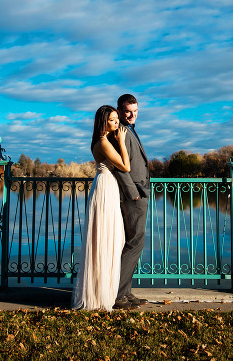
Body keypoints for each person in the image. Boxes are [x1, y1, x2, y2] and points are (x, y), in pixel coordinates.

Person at [71, 105, 130, 311]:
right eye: (113, 120)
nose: (117, 123)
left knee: (110, 239)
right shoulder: (103, 142)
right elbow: (125, 166)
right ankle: (100, 295)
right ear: (103, 122)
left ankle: (103, 290)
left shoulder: (100, 140)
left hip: (106, 186)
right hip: (105, 187)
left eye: (117, 119)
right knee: (105, 240)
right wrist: (122, 142)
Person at [113, 93, 150, 310]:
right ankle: (119, 295)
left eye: (135, 111)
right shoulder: (121, 132)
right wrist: (132, 193)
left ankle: (126, 292)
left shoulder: (130, 130)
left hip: (138, 192)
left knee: (134, 243)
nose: (132, 115)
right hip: (133, 195)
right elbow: (120, 165)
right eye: (128, 111)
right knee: (134, 243)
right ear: (119, 110)